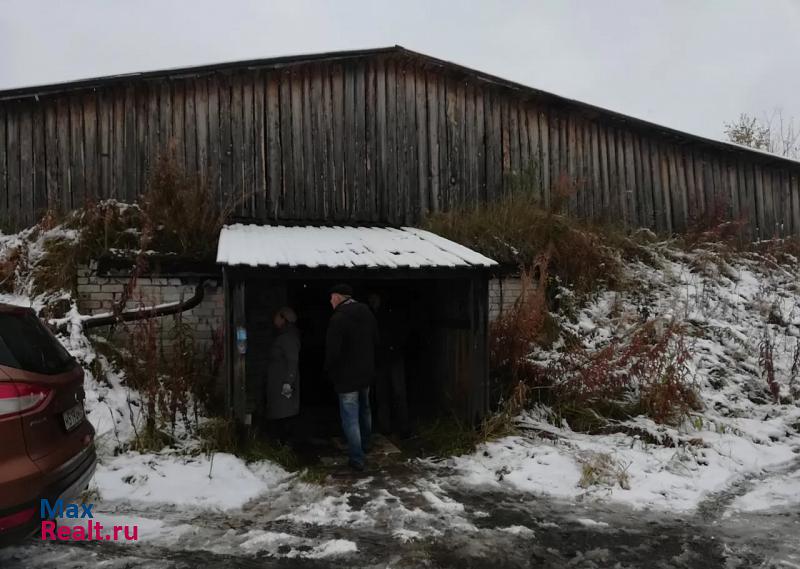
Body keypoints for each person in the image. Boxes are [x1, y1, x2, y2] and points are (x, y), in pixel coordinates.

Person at [325, 284, 379, 471]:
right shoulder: (367, 313)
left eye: (332, 297)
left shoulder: (338, 318)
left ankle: (357, 457)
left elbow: (333, 351)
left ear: (339, 297)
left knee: (350, 417)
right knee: (365, 410)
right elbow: (375, 340)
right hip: (366, 373)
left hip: (347, 376)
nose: (330, 301)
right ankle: (365, 444)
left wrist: (330, 370)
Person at [367, 292, 411, 437]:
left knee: (396, 393)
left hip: (392, 358)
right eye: (371, 300)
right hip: (383, 359)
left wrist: (394, 346)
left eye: (374, 298)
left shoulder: (389, 314)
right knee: (383, 394)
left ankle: (402, 428)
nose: (373, 301)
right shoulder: (372, 315)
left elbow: (401, 333)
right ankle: (386, 427)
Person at [264, 307, 301, 441]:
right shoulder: (283, 336)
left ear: (283, 319)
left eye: (276, 317)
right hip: (277, 381)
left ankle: (286, 444)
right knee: (280, 413)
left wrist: (288, 383)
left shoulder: (288, 338)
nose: (274, 320)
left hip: (283, 383)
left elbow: (292, 360)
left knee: (285, 414)